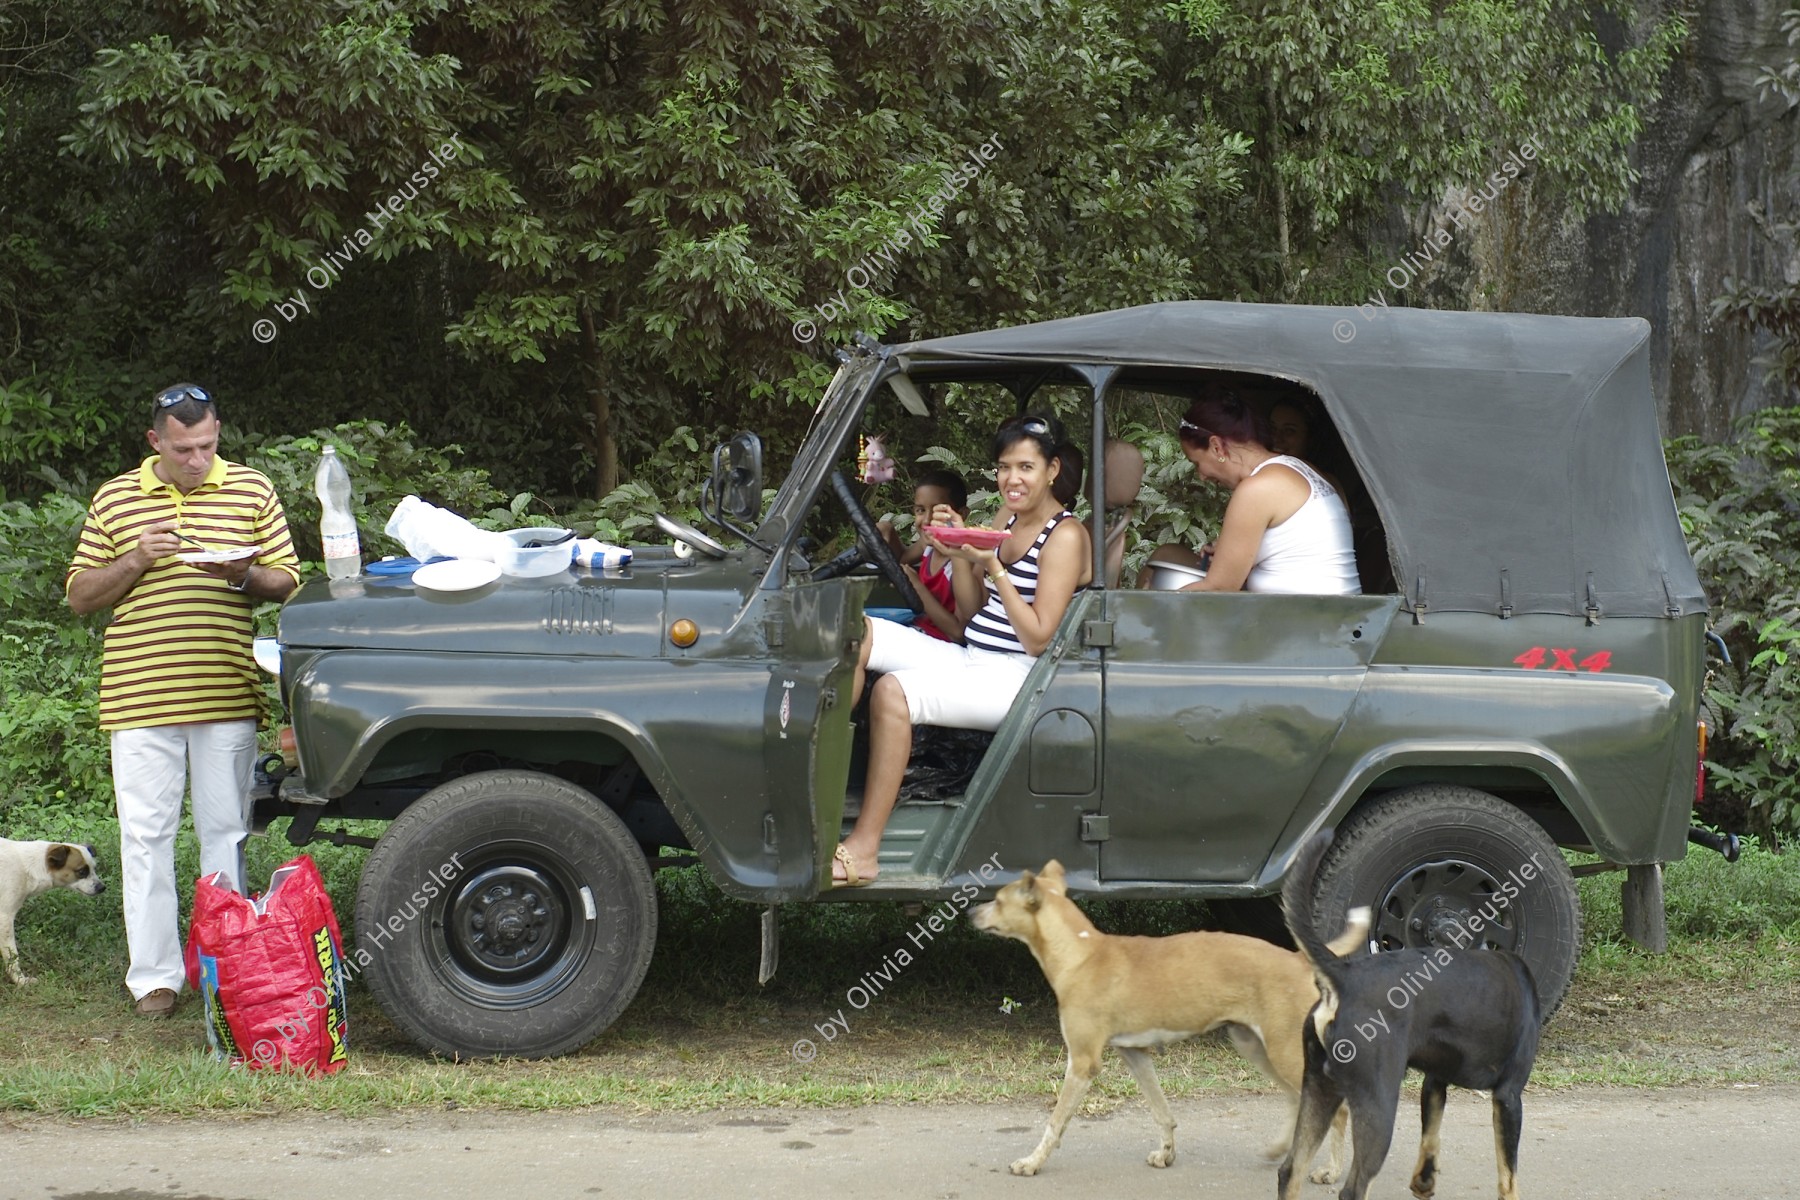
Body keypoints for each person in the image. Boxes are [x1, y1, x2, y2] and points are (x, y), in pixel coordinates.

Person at [65, 383, 301, 1016]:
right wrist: (137, 557)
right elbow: (82, 596)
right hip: (139, 696)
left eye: (206, 446)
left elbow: (287, 582)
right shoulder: (116, 497)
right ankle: (155, 980)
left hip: (225, 691)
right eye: (182, 449)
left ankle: (226, 965)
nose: (196, 460)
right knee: (146, 838)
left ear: (218, 431)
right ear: (155, 442)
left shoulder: (252, 489)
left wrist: (241, 574)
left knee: (226, 834)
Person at [833, 415, 1092, 885]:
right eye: (1004, 467)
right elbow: (973, 617)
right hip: (973, 654)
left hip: (1020, 678)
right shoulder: (1007, 516)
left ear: (1052, 470)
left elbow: (1038, 638)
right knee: (858, 629)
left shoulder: (1066, 534)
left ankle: (865, 849)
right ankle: (823, 784)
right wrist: (957, 552)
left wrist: (992, 565)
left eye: (1026, 467)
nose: (1012, 479)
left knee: (894, 692)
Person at [1145, 388, 1358, 595]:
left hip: (1314, 623)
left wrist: (1151, 603)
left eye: (1197, 463)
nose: (1201, 476)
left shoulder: (1257, 488)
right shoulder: (1296, 467)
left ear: (1217, 447)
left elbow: (1218, 589)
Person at [878, 468, 971, 642]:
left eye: (938, 511)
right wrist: (888, 531)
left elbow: (958, 632)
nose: (927, 520)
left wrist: (917, 587)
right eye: (920, 510)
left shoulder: (960, 562)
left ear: (962, 515)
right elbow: (902, 560)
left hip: (942, 643)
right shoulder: (928, 544)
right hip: (920, 629)